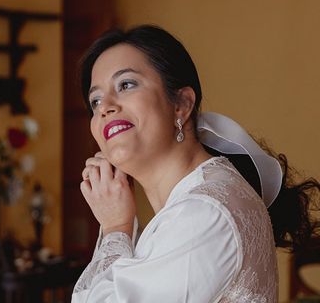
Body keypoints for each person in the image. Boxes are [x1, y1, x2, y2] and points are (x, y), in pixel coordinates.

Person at [72, 25, 320, 302]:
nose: (105, 106)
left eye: (126, 84)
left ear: (182, 104)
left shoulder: (204, 212)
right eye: (95, 100)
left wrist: (116, 229)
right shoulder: (196, 202)